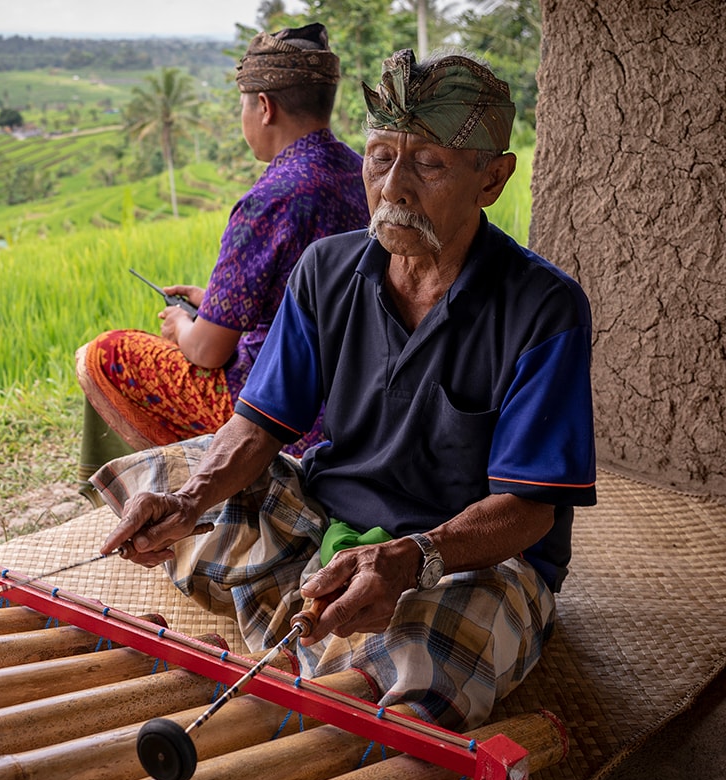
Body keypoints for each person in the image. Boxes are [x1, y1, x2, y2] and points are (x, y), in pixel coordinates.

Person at [92, 48, 597, 733]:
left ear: (492, 179)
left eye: (429, 164)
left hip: (461, 554)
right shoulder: (326, 269)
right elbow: (258, 426)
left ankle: (327, 639)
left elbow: (532, 511)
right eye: (381, 156)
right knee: (160, 478)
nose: (394, 187)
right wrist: (187, 502)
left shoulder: (545, 306)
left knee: (434, 661)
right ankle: (327, 616)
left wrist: (411, 557)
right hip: (325, 506)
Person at [76, 22, 370, 486]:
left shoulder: (270, 199)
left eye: (243, 105)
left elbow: (209, 351)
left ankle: (156, 490)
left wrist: (183, 325)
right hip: (356, 390)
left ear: (265, 107)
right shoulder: (362, 174)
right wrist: (213, 300)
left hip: (281, 406)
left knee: (105, 353)